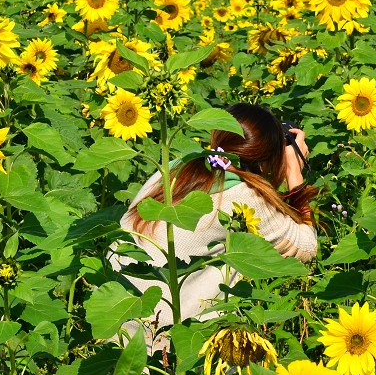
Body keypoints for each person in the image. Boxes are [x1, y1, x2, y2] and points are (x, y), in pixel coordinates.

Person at [107, 102, 317, 354]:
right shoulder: (242, 195)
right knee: (236, 257)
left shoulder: (177, 166)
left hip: (117, 325)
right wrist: (295, 173)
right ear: (265, 161)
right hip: (161, 344)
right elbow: (307, 247)